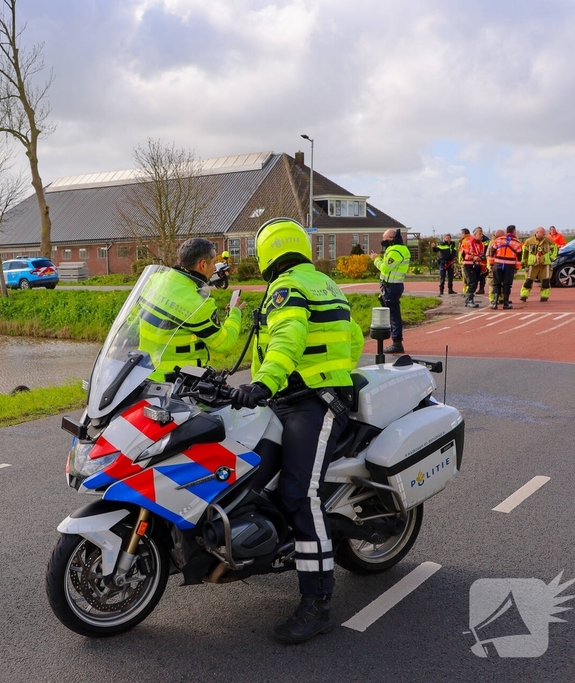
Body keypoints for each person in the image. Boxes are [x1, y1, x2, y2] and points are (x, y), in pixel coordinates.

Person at [230, 217, 364, 645]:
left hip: (314, 400)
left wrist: (266, 383)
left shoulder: (286, 288)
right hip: (294, 396)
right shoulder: (323, 282)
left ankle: (318, 603)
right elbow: (353, 337)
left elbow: (288, 338)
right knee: (248, 472)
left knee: (299, 494)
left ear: (266, 253)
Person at [137, 238, 244, 380]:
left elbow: (134, 318)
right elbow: (224, 343)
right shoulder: (199, 303)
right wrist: (235, 313)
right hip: (180, 384)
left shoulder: (154, 280)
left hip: (144, 376)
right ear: (203, 265)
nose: (214, 269)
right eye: (213, 263)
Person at [372, 228, 410, 354]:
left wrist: (375, 259)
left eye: (385, 238)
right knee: (391, 314)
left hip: (392, 287)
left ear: (391, 238)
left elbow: (385, 267)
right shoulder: (393, 249)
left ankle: (397, 343)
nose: (383, 241)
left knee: (394, 316)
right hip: (389, 286)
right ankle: (395, 340)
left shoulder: (396, 251)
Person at [488, 225, 522, 310]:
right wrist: (516, 268)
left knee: (496, 283)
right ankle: (506, 303)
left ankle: (495, 303)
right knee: (507, 285)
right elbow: (519, 258)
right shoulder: (517, 243)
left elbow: (491, 253)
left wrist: (492, 264)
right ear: (514, 232)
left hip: (497, 264)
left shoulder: (498, 240)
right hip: (509, 266)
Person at [520, 227, 557, 302]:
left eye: (544, 232)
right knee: (529, 280)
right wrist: (523, 261)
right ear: (537, 232)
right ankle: (524, 295)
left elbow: (555, 249)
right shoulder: (529, 241)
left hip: (545, 264)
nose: (544, 234)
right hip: (532, 264)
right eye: (542, 232)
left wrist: (551, 258)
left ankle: (544, 296)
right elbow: (524, 252)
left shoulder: (548, 240)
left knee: (546, 280)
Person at [459, 228, 485, 308]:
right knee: (472, 283)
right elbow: (463, 255)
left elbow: (483, 255)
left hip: (477, 265)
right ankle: (469, 300)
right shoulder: (468, 243)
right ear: (475, 235)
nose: (482, 235)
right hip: (468, 265)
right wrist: (473, 257)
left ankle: (469, 300)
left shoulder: (482, 244)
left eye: (482, 233)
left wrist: (481, 260)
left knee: (475, 283)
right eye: (480, 234)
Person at [476, 227, 491, 295]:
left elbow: (487, 248)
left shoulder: (485, 239)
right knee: (477, 274)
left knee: (482, 274)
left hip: (483, 259)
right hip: (477, 259)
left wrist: (484, 256)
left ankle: (481, 288)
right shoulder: (474, 239)